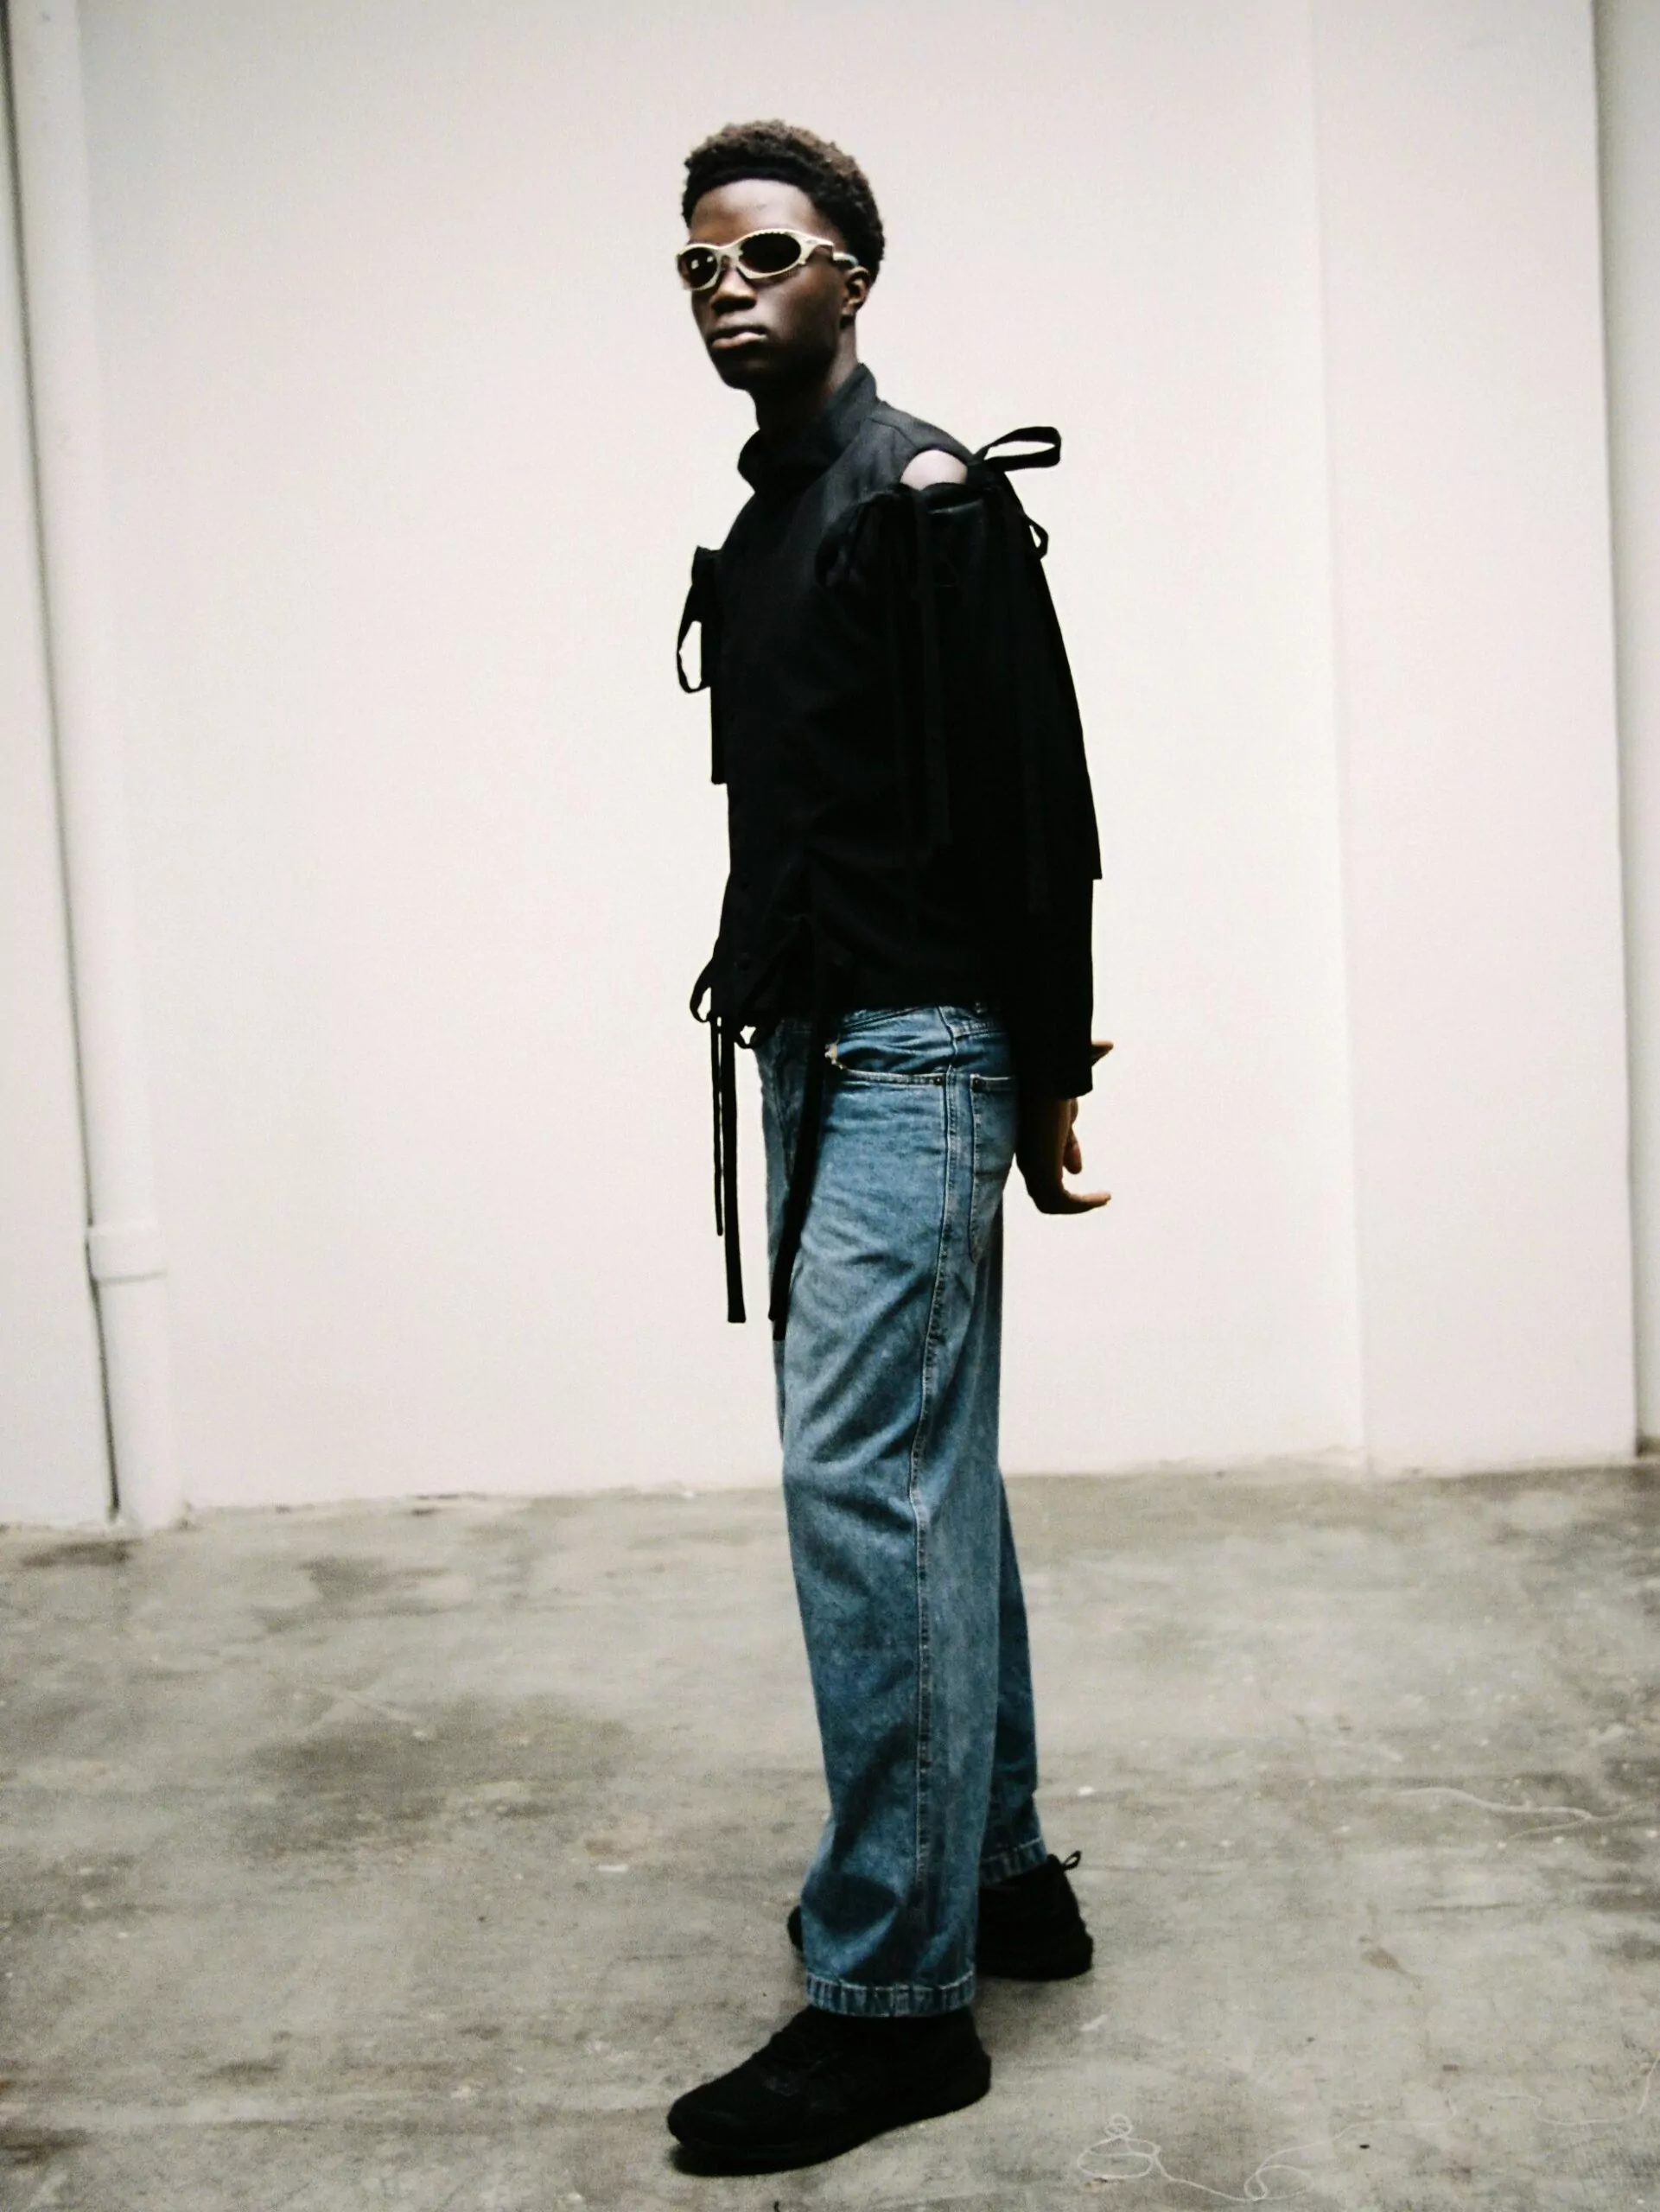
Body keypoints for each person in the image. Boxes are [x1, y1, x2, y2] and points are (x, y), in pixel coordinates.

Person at [666, 120, 1109, 2177]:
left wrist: (1049, 1074)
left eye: (764, 254)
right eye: (698, 265)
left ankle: (894, 1998)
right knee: (923, 1475)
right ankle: (996, 1876)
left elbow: (1040, 804)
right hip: (815, 1043)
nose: (726, 286)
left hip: (922, 1051)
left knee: (867, 1487)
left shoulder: (926, 496)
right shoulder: (770, 517)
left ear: (852, 271)